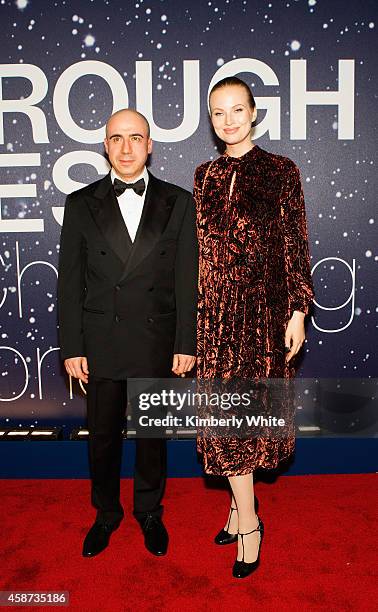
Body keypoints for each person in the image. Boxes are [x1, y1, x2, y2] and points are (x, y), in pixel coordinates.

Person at [58, 109, 197, 557]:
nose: (125, 148)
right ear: (105, 144)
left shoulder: (179, 202)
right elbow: (69, 283)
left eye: (135, 137)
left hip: (156, 340)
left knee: (152, 437)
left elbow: (185, 279)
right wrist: (73, 346)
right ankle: (106, 513)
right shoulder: (81, 203)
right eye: (116, 138)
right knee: (102, 437)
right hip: (101, 342)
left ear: (150, 144)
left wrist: (185, 343)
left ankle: (149, 511)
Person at [193, 77, 315, 578]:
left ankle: (244, 517)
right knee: (222, 423)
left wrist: (298, 312)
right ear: (211, 118)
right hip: (215, 318)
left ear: (254, 113)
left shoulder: (280, 171)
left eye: (237, 110)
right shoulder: (203, 175)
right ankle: (246, 516)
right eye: (219, 112)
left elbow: (294, 242)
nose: (229, 121)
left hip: (263, 318)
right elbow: (198, 252)